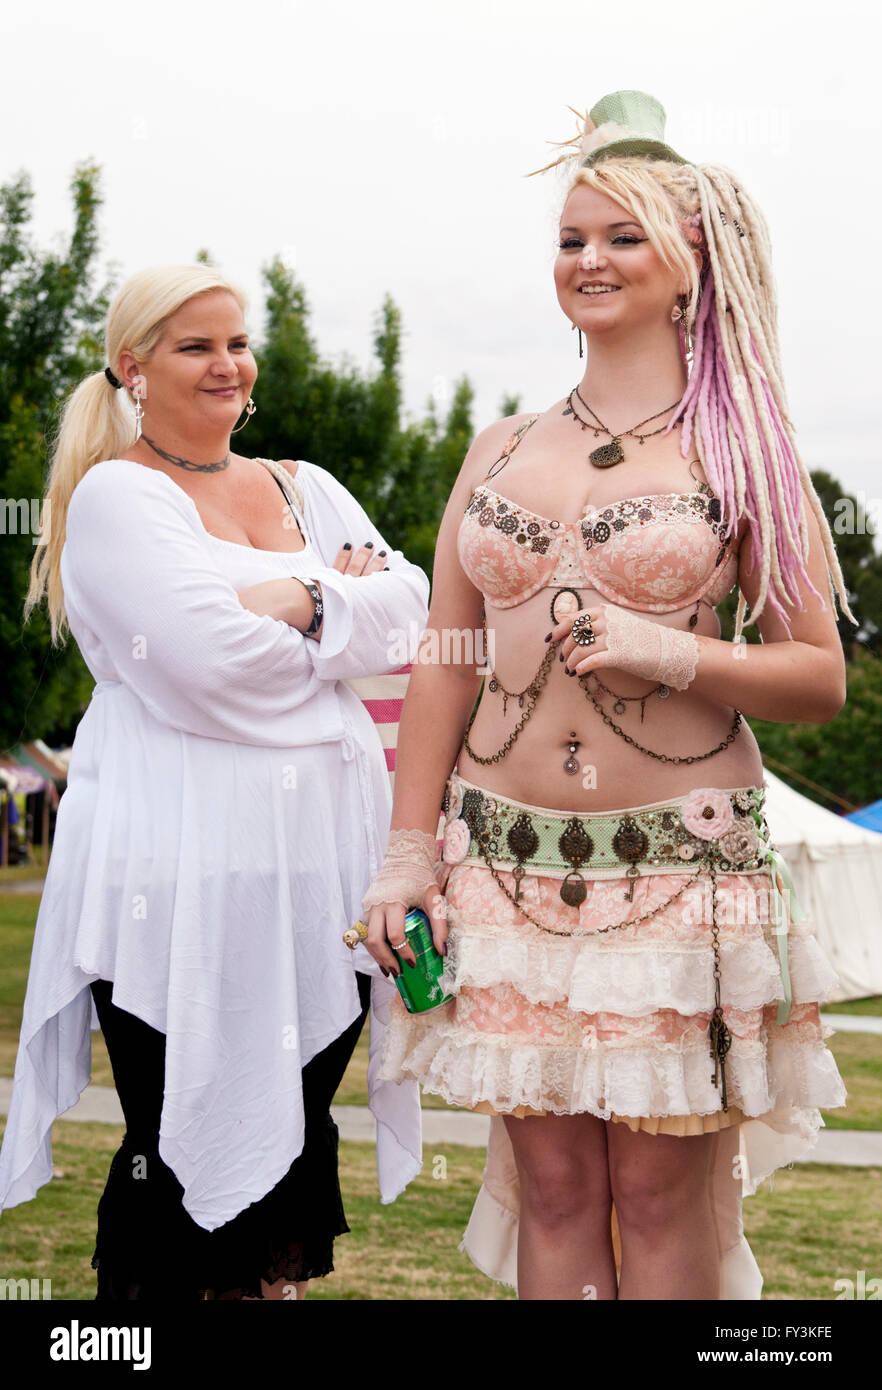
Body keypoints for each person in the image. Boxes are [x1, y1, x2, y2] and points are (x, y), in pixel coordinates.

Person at [359, 91, 850, 1300]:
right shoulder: (498, 444)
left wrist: (672, 649)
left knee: (658, 1199)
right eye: (572, 238)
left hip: (677, 878)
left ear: (691, 262)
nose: (588, 259)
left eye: (622, 237)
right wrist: (406, 851)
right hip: (503, 864)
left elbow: (818, 677)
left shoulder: (749, 452)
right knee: (561, 1196)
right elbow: (444, 657)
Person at [0, 264, 428, 1299]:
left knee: (291, 1146)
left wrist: (284, 606)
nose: (228, 364)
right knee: (177, 1158)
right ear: (131, 366)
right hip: (173, 883)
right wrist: (335, 603)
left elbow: (409, 610)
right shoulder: (115, 498)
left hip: (318, 879)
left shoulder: (306, 485)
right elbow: (206, 667)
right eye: (196, 346)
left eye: (237, 343)